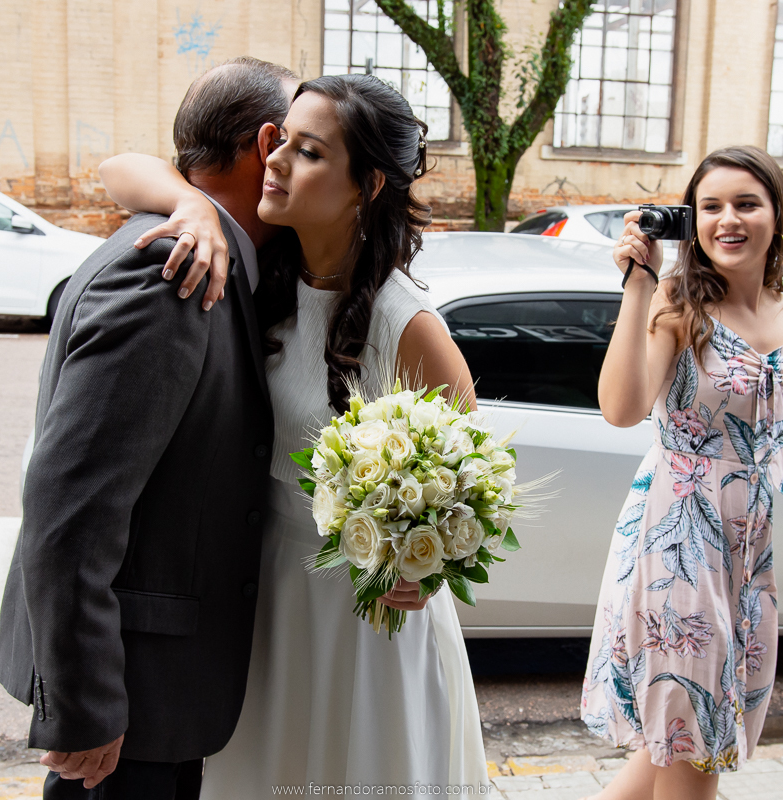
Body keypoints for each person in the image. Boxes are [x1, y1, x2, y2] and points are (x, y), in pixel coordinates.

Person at [100, 73, 491, 797]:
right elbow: (117, 169)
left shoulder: (407, 328)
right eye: (279, 141)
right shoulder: (254, 266)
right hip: (264, 603)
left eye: (307, 152)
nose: (275, 161)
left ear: (365, 185)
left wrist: (421, 568)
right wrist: (190, 203)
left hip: (360, 626)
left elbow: (475, 487)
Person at [0, 57, 297, 800]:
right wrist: (85, 706)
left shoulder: (190, 242)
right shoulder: (171, 276)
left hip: (157, 687)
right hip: (130, 696)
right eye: (304, 141)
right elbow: (69, 511)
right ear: (267, 145)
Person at [579, 145, 783, 800]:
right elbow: (621, 408)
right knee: (695, 758)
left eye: (747, 203)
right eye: (711, 206)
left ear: (776, 215)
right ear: (692, 220)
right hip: (678, 554)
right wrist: (639, 286)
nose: (729, 219)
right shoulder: (678, 304)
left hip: (748, 565)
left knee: (671, 756)